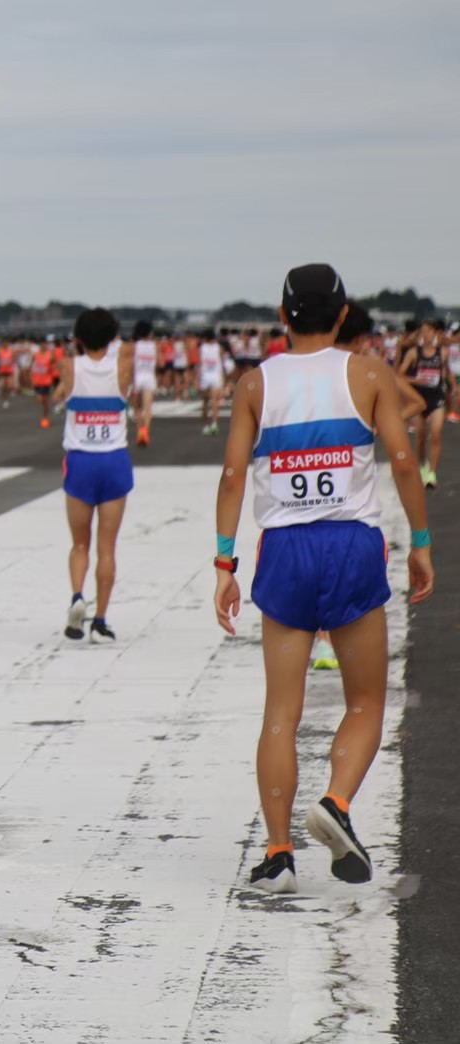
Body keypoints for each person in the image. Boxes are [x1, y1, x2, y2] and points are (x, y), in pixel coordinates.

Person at [213, 264, 434, 894]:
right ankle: (335, 802)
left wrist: (225, 564)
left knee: (280, 713)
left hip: (284, 549)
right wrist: (421, 544)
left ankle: (278, 852)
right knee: (365, 702)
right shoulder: (368, 373)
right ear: (341, 315)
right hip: (350, 546)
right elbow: (402, 461)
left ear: (282, 316)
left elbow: (232, 476)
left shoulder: (255, 383)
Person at [54, 309, 133, 642]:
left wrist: (76, 349)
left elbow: (60, 390)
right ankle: (100, 618)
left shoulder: (70, 367)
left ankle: (77, 596)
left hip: (81, 461)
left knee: (80, 544)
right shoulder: (123, 367)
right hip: (114, 460)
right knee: (107, 548)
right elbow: (126, 351)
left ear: (78, 338)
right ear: (112, 337)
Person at [399, 320, 452, 489]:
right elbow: (399, 376)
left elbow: (447, 372)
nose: (426, 334)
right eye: (423, 331)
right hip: (419, 400)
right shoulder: (414, 353)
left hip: (436, 398)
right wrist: (416, 380)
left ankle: (432, 473)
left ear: (435, 333)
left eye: (429, 331)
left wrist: (454, 387)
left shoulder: (442, 352)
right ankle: (422, 466)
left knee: (436, 435)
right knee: (421, 437)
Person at [129, 321, 158, 447]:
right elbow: (160, 362)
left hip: (137, 377)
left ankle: (140, 431)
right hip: (149, 376)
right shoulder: (154, 345)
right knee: (148, 408)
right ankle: (145, 432)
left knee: (137, 408)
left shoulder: (134, 345)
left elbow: (131, 364)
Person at [197, 330, 226, 436]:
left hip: (205, 376)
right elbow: (222, 364)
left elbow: (199, 364)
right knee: (214, 401)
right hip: (215, 376)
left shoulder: (202, 348)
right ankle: (214, 424)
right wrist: (223, 379)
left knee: (205, 402)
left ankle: (206, 425)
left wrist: (197, 379)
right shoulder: (218, 348)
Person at [30, 339, 56, 429]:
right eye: (42, 344)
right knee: (39, 399)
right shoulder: (35, 355)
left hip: (46, 381)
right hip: (37, 381)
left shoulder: (50, 355)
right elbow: (32, 366)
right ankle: (45, 415)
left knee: (45, 401)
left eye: (45, 344)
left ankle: (45, 417)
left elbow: (54, 365)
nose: (43, 346)